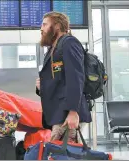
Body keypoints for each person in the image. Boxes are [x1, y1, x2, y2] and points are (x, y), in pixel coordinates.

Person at [35, 12, 92, 142]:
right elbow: (59, 81)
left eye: (45, 24)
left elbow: (76, 78)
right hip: (59, 113)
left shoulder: (69, 43)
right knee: (61, 153)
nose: (41, 28)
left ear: (57, 26)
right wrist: (41, 86)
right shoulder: (53, 49)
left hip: (66, 113)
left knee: (60, 152)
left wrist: (73, 112)